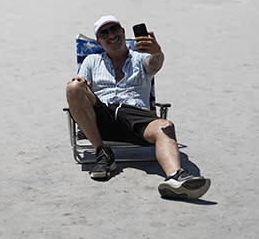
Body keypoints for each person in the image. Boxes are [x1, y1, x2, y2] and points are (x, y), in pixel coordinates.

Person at [66, 15, 211, 200]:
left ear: (123, 32)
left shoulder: (141, 58)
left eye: (114, 29)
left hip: (135, 115)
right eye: (104, 33)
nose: (111, 35)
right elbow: (81, 86)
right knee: (73, 86)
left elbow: (154, 64)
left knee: (165, 126)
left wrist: (157, 52)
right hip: (102, 116)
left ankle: (176, 178)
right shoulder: (92, 61)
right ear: (99, 42)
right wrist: (80, 83)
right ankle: (102, 152)